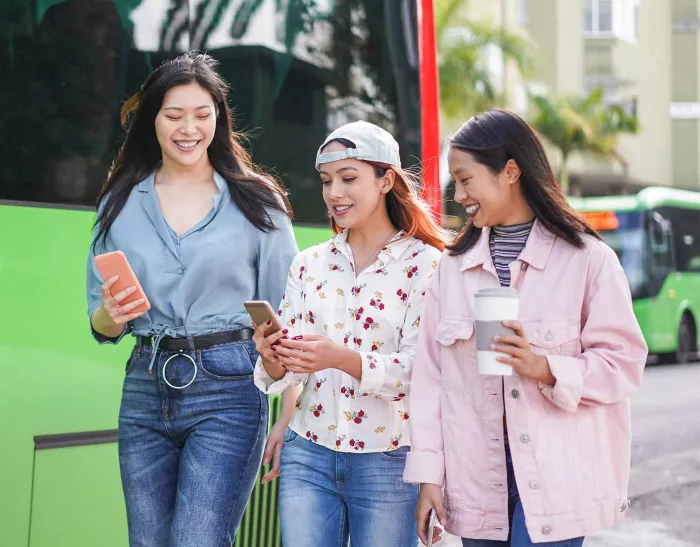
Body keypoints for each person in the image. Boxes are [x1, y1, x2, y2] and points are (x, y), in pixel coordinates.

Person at [405, 110, 648, 547]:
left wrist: (545, 368)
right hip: (477, 480)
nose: (457, 194)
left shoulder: (586, 258)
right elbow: (429, 380)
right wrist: (429, 478)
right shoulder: (452, 269)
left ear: (511, 171)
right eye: (454, 183)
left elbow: (623, 363)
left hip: (556, 479)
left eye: (466, 179)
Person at [85, 52, 298, 547]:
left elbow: (289, 316)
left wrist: (291, 410)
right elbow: (101, 323)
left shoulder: (257, 201)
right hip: (144, 381)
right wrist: (110, 314)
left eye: (203, 114)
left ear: (219, 118)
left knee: (199, 540)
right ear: (152, 119)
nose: (189, 128)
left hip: (229, 386)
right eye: (174, 114)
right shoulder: (119, 200)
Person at [253, 121, 446, 546]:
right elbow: (291, 372)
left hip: (389, 462)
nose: (334, 192)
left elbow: (422, 372)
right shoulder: (308, 264)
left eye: (349, 178)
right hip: (308, 453)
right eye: (326, 181)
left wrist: (341, 358)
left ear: (386, 180)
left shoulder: (426, 265)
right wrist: (272, 356)